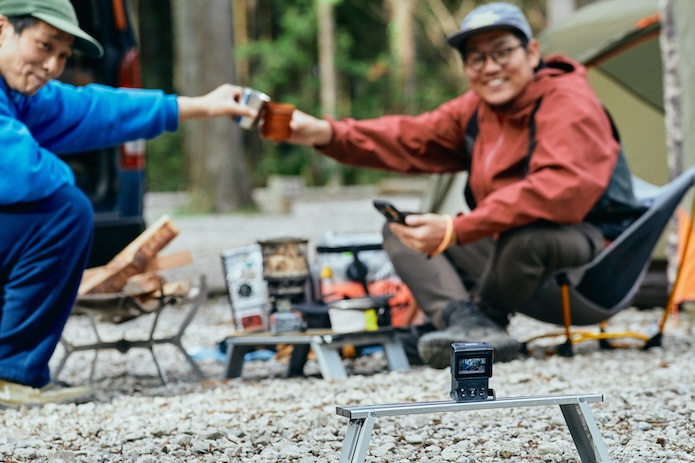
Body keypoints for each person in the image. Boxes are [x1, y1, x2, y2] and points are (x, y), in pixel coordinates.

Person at [281, 2, 645, 368]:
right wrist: (327, 133)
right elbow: (408, 137)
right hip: (514, 261)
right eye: (476, 58)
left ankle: (482, 319)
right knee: (402, 230)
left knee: (526, 236)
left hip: (597, 263)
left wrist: (458, 228)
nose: (490, 68)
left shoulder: (569, 102)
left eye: (502, 53)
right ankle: (467, 323)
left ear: (532, 52)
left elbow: (558, 190)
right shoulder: (476, 110)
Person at [0, 0, 256, 407]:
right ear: (3, 28)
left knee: (59, 206)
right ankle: (9, 372)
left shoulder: (18, 94)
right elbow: (19, 171)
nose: (53, 65)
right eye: (45, 46)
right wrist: (65, 175)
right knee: (62, 211)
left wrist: (202, 105)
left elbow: (94, 110)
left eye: (63, 55)